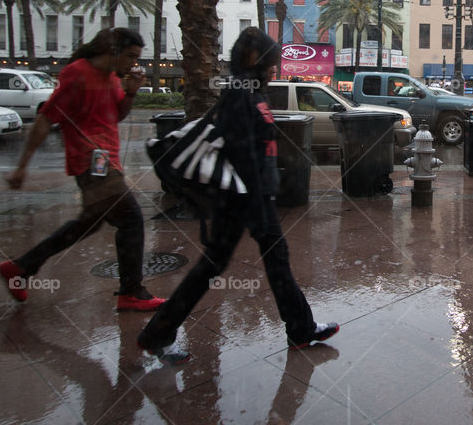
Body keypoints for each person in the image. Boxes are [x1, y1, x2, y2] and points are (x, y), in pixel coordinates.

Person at [137, 27, 338, 364]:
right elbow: (240, 152)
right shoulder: (240, 94)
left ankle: (301, 328)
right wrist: (257, 201)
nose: (275, 70)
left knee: (262, 263)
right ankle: (156, 333)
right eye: (271, 63)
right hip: (244, 200)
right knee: (217, 267)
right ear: (254, 61)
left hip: (251, 199)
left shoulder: (252, 92)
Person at [0, 27, 165, 311]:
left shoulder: (113, 78)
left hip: (105, 158)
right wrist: (22, 167)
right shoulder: (77, 74)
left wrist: (131, 93)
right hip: (91, 160)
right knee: (131, 220)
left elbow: (117, 116)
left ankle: (21, 268)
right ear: (112, 51)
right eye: (129, 56)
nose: (133, 64)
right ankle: (131, 291)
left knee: (88, 223)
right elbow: (45, 119)